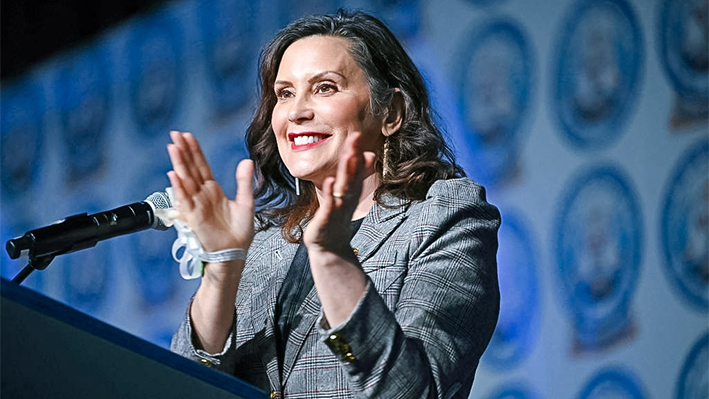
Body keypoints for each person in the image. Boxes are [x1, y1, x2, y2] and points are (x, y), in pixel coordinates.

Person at [168, 9, 500, 399]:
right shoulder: (261, 245)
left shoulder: (445, 218)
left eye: (325, 87)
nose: (296, 112)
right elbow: (179, 388)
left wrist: (334, 261)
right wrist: (221, 270)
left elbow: (412, 393)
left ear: (390, 112)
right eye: (285, 93)